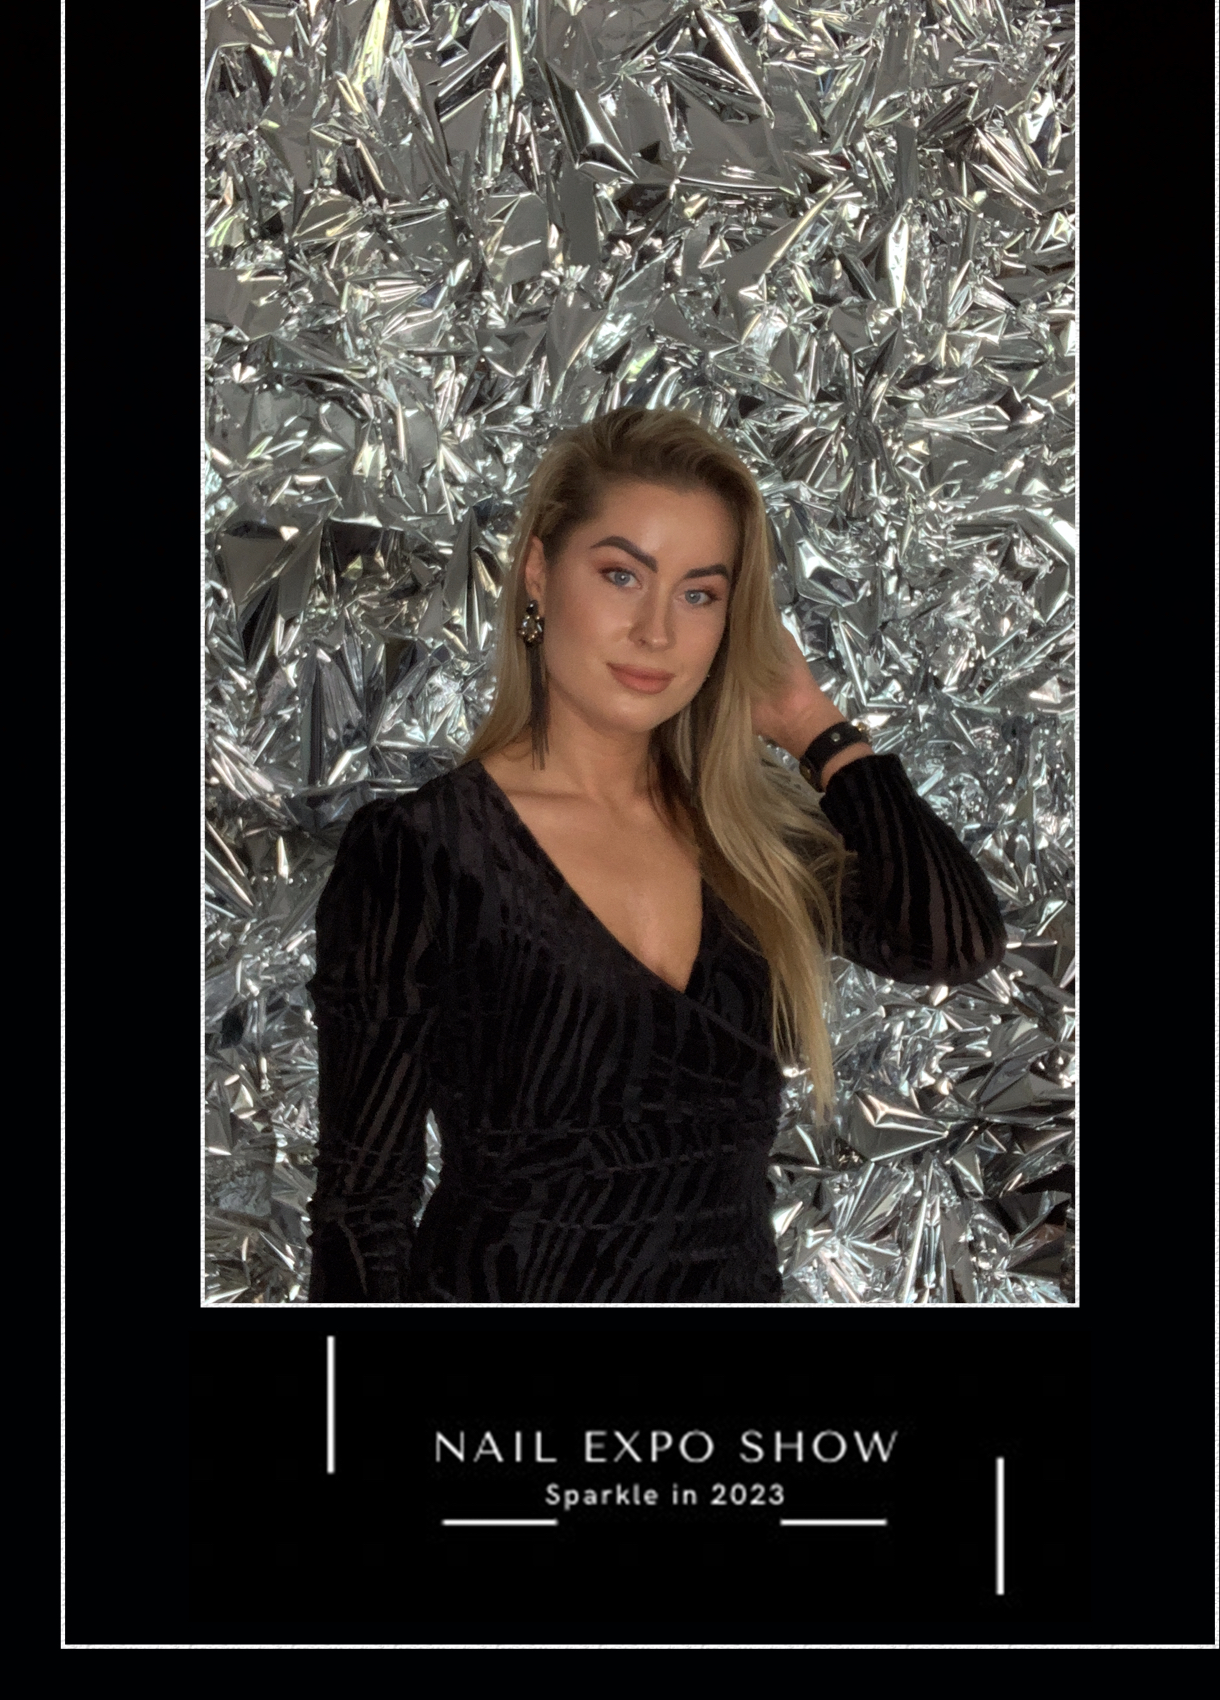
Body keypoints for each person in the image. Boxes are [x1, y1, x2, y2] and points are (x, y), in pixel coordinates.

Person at [305, 407, 1006, 1303]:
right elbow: (362, 1209)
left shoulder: (751, 839)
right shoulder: (420, 853)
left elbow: (952, 944)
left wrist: (814, 727)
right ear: (538, 575)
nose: (657, 632)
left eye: (699, 594)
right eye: (621, 575)